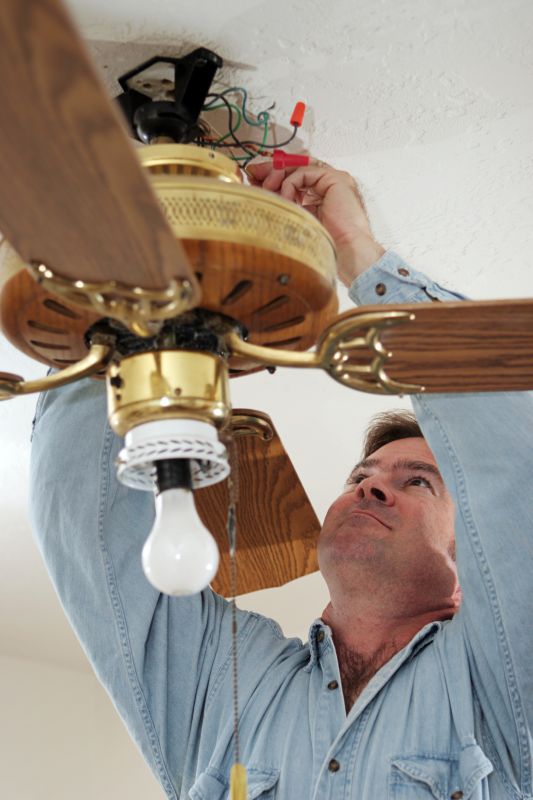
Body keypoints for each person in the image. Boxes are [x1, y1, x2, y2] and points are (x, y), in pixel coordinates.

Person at [30, 160, 533, 800]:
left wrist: (358, 259)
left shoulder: (496, 683)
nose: (370, 488)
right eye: (362, 474)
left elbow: (518, 464)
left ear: (473, 555)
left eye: (418, 482)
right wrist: (128, 329)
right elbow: (89, 531)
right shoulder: (233, 685)